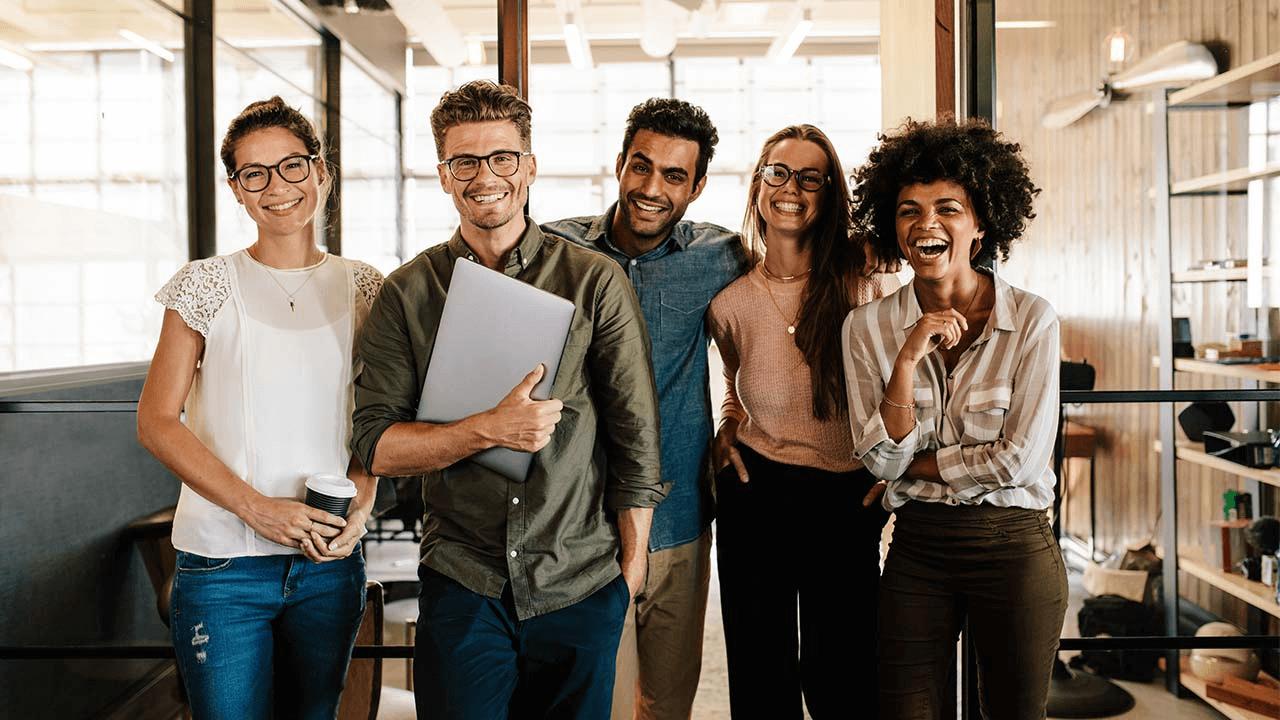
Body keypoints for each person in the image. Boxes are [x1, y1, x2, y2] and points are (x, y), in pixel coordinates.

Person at [349, 80, 664, 720]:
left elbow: (636, 438)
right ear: (443, 174)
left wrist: (627, 576)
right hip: (465, 579)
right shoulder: (408, 293)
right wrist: (487, 429)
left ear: (529, 166)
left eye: (501, 158)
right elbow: (374, 444)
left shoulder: (594, 280)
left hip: (578, 577)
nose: (484, 175)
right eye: (464, 160)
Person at [136, 96, 382, 719]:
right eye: (255, 174)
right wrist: (257, 509)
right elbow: (157, 420)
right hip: (223, 566)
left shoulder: (365, 287)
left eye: (292, 166)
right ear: (237, 191)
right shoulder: (204, 284)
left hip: (327, 566)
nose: (277, 187)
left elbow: (383, 414)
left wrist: (363, 498)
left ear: (321, 172)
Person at [843, 117, 1066, 719]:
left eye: (948, 208)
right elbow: (875, 459)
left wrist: (914, 464)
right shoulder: (866, 328)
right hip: (919, 549)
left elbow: (1021, 459)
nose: (926, 224)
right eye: (909, 211)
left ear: (980, 224)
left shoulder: (1033, 320)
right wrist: (908, 355)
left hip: (1015, 546)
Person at [544, 97, 748, 720]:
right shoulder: (555, 252)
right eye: (641, 166)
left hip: (680, 517)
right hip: (580, 526)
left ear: (698, 185)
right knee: (592, 701)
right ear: (620, 164)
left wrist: (736, 411)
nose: (652, 187)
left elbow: (767, 333)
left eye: (674, 175)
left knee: (665, 702)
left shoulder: (721, 257)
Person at [707, 124, 893, 719]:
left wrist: (903, 461)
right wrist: (727, 427)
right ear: (759, 185)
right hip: (756, 491)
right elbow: (737, 384)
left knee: (844, 676)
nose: (792, 188)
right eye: (779, 173)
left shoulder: (865, 277)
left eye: (811, 177)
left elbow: (910, 375)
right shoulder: (730, 300)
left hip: (847, 495)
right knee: (761, 676)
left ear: (829, 192)